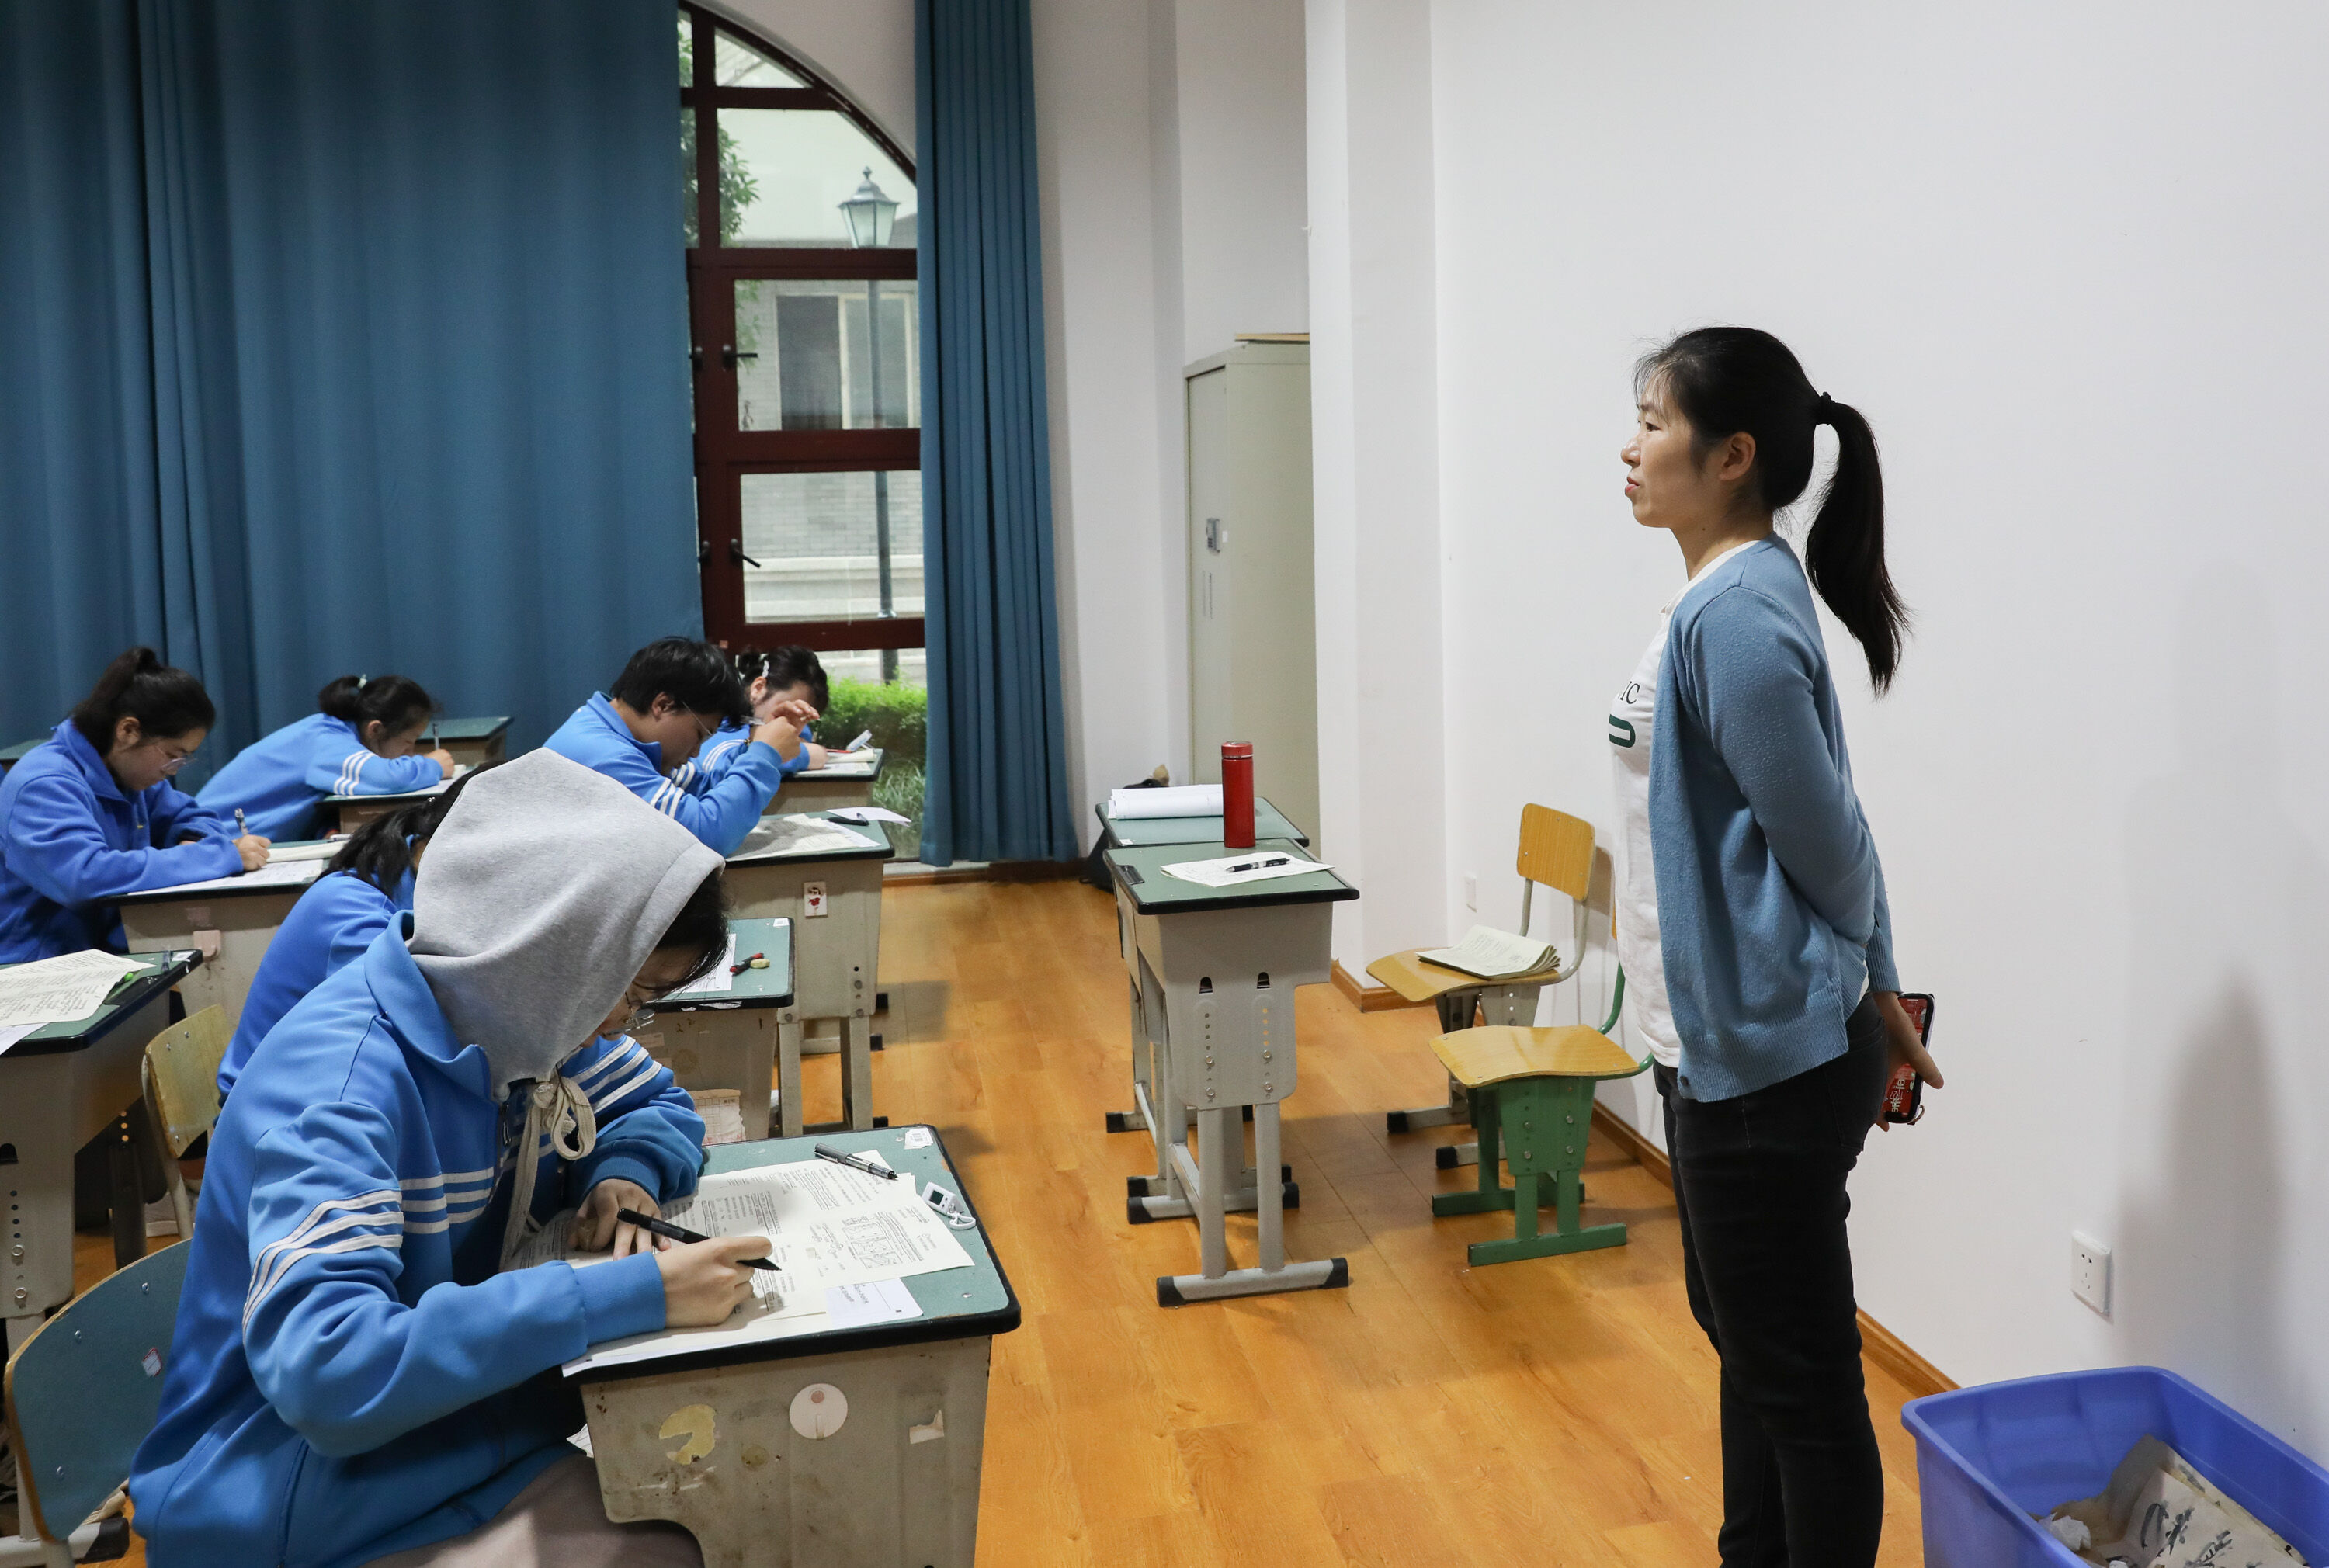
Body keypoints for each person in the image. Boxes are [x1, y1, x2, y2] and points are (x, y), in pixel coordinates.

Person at [129, 750, 767, 1568]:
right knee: (691, 1536)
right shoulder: (340, 1085)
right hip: (284, 1493)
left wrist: (624, 1172)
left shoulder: (521, 1023)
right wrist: (632, 1292)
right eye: (631, 994)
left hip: (447, 1438)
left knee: (718, 1511)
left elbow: (660, 1105)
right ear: (550, 945)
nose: (619, 1025)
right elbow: (329, 1367)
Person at [1609, 325, 1944, 1567]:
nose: (1630, 447)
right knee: (1751, 1348)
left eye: (1654, 422)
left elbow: (1831, 841)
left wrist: (1876, 984)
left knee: (1796, 1383)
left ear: (1733, 454)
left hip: (1769, 1064)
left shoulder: (1738, 613)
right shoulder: (1717, 599)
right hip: (1721, 1047)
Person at [215, 765, 492, 1099]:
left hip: (331, 1089)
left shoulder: (409, 880)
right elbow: (420, 1029)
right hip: (275, 1107)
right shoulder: (351, 909)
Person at [0, 648, 269, 963]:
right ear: (128, 731)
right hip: (36, 966)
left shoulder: (128, 774)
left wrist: (193, 840)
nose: (173, 770)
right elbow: (85, 877)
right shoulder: (44, 783)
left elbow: (191, 816)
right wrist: (216, 856)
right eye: (173, 755)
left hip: (107, 952)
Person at [543, 637, 812, 855]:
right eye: (699, 734)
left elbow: (703, 784)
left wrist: (757, 743)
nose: (696, 752)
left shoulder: (621, 734)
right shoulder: (604, 755)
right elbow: (704, 837)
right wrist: (764, 754)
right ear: (663, 705)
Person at [198, 673, 456, 840]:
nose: (410, 753)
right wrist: (432, 765)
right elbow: (388, 778)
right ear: (375, 730)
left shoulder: (331, 730)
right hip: (207, 839)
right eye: (408, 742)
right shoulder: (328, 741)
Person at [677, 646, 831, 793]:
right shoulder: (723, 723)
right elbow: (714, 768)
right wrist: (803, 755)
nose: (787, 722)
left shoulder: (793, 728)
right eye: (786, 709)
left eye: (801, 715)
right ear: (759, 688)